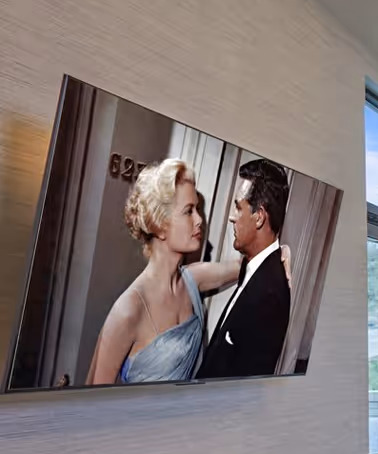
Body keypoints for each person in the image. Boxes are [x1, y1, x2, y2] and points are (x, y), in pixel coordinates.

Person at [86, 159, 245, 385]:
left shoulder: (192, 279)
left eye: (197, 210)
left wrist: (282, 252)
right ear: (160, 225)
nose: (199, 220)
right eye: (188, 211)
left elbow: (244, 266)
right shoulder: (129, 309)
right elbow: (93, 397)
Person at [196, 158, 292, 380]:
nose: (231, 217)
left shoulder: (270, 295)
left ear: (259, 218)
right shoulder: (255, 267)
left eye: (239, 207)